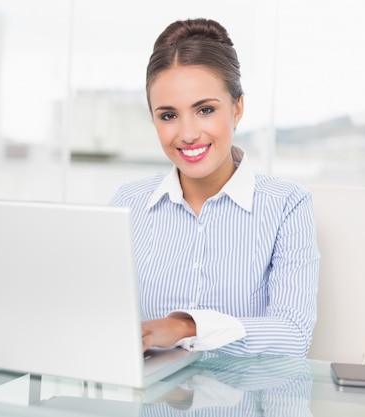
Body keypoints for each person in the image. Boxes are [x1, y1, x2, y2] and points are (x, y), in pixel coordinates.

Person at [110, 18, 319, 357]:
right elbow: (103, 319)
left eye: (205, 110)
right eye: (168, 116)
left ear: (237, 108)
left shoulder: (287, 205)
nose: (188, 133)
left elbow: (293, 335)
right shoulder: (127, 203)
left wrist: (186, 326)